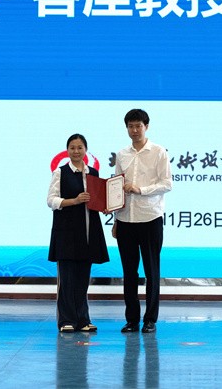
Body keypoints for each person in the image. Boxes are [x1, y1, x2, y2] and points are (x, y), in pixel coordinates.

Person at [111, 109, 172, 334]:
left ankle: (150, 320)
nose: (134, 130)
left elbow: (167, 184)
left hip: (150, 218)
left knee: (151, 271)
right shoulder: (122, 154)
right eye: (131, 126)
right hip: (126, 219)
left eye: (138, 126)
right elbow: (116, 189)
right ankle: (131, 320)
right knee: (129, 273)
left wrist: (140, 189)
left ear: (146, 126)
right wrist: (115, 220)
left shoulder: (159, 152)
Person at [47, 133, 109, 333]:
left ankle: (83, 320)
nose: (76, 151)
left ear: (86, 150)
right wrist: (74, 201)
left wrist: (106, 205)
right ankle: (66, 320)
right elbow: (51, 200)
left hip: (88, 234)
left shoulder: (93, 173)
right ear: (67, 150)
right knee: (67, 279)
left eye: (80, 147)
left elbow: (99, 199)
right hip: (66, 234)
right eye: (72, 147)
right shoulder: (60, 172)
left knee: (83, 279)